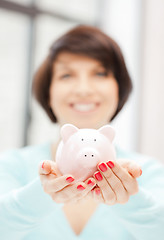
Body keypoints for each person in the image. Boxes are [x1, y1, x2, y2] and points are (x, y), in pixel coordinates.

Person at [0, 25, 164, 240]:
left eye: (100, 73)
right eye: (67, 75)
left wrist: (130, 198)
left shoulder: (148, 172)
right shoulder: (11, 166)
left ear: (119, 89)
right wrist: (42, 195)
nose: (83, 89)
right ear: (48, 92)